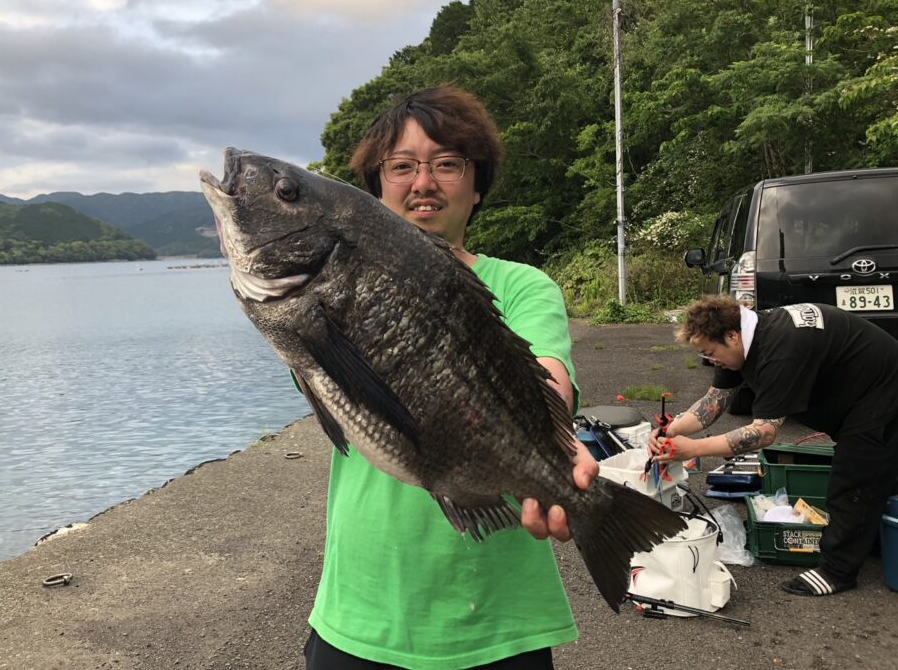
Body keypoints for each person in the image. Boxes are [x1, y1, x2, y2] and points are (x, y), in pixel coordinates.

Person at [304, 85, 598, 670]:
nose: (423, 183)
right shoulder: (330, 289)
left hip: (499, 618)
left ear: (477, 184)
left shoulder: (521, 287)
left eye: (446, 164)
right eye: (402, 167)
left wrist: (557, 453)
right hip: (361, 611)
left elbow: (546, 376)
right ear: (373, 189)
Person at [650, 295, 898, 597]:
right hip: (862, 394)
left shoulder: (779, 350)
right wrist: (671, 430)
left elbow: (764, 433)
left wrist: (693, 450)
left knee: (854, 476)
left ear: (731, 336)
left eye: (711, 353)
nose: (710, 360)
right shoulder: (740, 338)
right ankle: (874, 540)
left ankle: (838, 571)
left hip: (883, 393)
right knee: (880, 476)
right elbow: (714, 403)